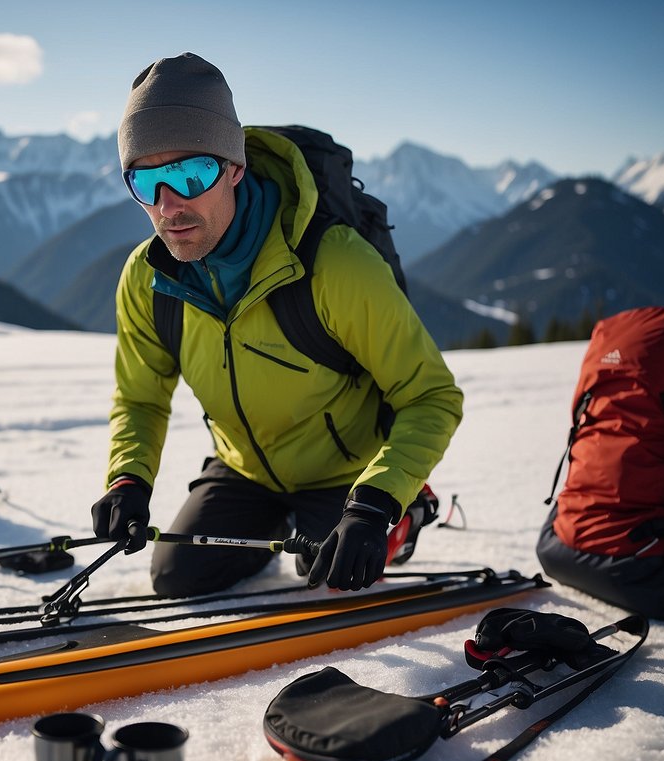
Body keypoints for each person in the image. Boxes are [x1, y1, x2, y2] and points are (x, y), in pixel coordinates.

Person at [91, 53, 463, 597]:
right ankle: (280, 522)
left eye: (189, 175)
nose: (169, 206)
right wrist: (128, 479)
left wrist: (374, 504)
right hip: (247, 470)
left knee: (332, 584)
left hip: (347, 474)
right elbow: (140, 398)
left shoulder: (333, 263)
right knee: (176, 577)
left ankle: (406, 509)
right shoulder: (147, 280)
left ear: (234, 169)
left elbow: (431, 396)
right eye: (146, 184)